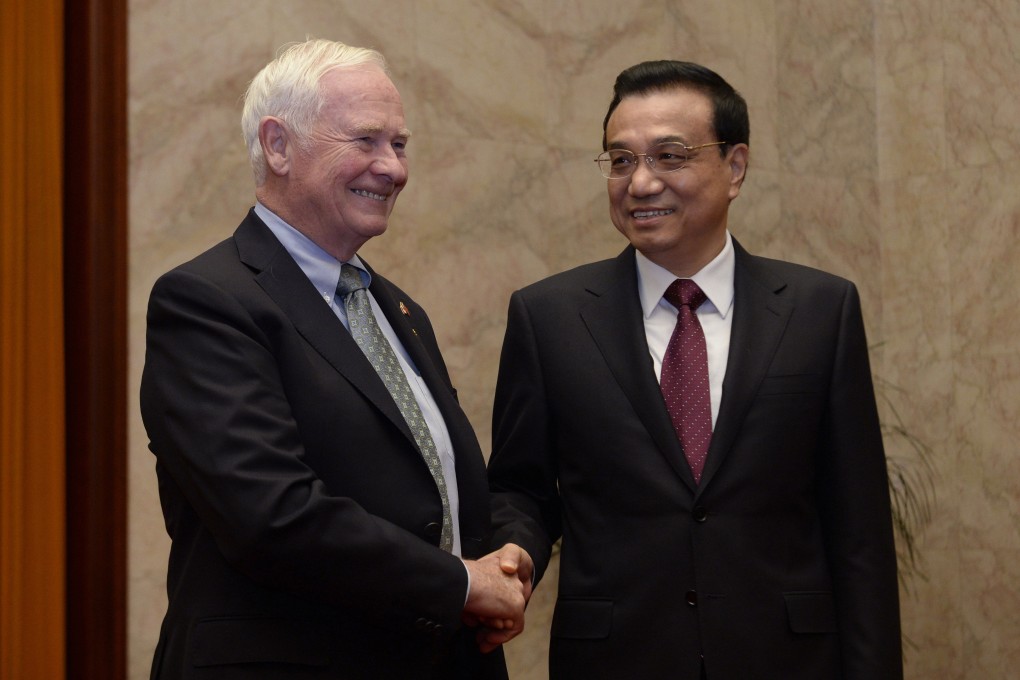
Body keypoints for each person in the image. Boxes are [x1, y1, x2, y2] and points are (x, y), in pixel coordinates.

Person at [486, 60, 902, 679]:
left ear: (734, 168)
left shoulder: (821, 310)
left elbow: (859, 529)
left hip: (788, 659)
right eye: (621, 160)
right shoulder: (548, 318)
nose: (641, 183)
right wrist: (514, 551)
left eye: (670, 156)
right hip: (617, 658)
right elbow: (521, 485)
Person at [140, 39, 530, 679]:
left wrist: (501, 568)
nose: (393, 168)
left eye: (400, 145)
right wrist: (458, 584)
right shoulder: (207, 300)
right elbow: (270, 514)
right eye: (366, 141)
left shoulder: (395, 309)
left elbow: (443, 492)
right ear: (277, 145)